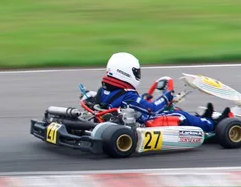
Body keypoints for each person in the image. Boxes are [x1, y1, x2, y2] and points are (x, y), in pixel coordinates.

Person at [93, 52, 231, 132]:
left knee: (174, 108)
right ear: (126, 72)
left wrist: (145, 98)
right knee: (179, 114)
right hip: (144, 123)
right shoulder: (127, 95)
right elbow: (152, 109)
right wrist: (167, 96)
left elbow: (135, 105)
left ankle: (202, 118)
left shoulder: (105, 90)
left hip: (130, 117)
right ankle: (213, 124)